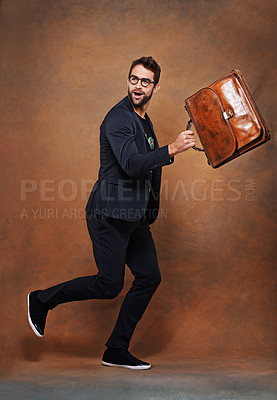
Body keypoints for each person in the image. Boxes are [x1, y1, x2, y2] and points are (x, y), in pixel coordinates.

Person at [27, 56, 195, 370]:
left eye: (145, 82)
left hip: (134, 217)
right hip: (109, 215)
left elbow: (150, 166)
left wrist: (149, 210)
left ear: (155, 87)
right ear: (128, 80)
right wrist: (171, 149)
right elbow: (132, 165)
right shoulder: (119, 118)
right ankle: (41, 299)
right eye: (134, 79)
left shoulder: (143, 120)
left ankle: (115, 349)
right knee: (109, 285)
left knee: (149, 277)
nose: (138, 86)